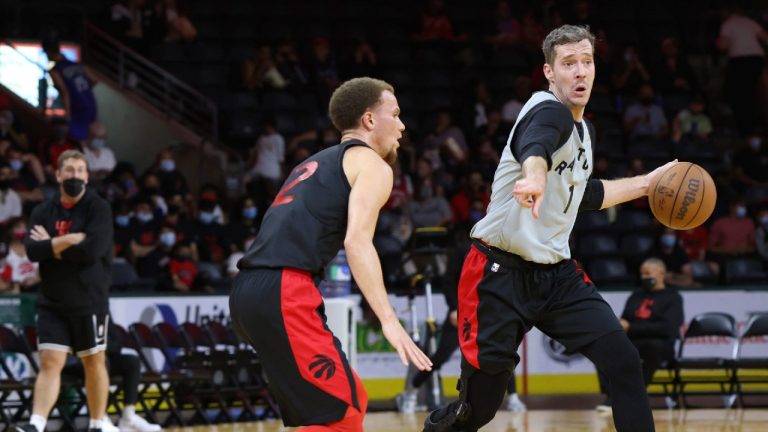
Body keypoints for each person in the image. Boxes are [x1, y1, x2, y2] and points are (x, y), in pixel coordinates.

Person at [424, 25, 676, 432]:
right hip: (498, 275)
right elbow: (536, 148)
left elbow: (585, 194)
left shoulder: (585, 131)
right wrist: (534, 176)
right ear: (549, 72)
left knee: (624, 362)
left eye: (587, 62)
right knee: (480, 409)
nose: (580, 72)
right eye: (568, 64)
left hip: (556, 276)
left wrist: (647, 184)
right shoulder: (547, 110)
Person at [229, 77, 432, 431]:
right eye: (395, 115)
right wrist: (388, 319)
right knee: (342, 406)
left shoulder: (313, 163)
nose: (402, 126)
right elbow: (357, 241)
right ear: (369, 120)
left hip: (249, 291)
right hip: (284, 288)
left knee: (325, 410)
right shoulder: (371, 165)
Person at [16, 150, 113, 432]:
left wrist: (52, 247)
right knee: (49, 361)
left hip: (89, 298)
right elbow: (33, 252)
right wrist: (69, 239)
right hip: (52, 299)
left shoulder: (98, 208)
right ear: (58, 175)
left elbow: (92, 251)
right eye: (69, 170)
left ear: (87, 175)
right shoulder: (42, 211)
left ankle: (97, 423)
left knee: (94, 362)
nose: (75, 175)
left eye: (81, 170)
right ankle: (36, 424)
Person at [396, 242, 526, 414]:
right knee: (440, 356)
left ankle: (513, 399)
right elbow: (449, 281)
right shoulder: (465, 251)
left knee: (503, 354)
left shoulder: (505, 251)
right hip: (463, 313)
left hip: (491, 315)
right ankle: (410, 392)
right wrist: (452, 308)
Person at [597, 258, 684, 411]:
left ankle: (632, 396)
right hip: (634, 342)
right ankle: (612, 396)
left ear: (661, 273)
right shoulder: (636, 296)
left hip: (660, 344)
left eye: (648, 273)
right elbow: (625, 319)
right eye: (642, 273)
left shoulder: (673, 297)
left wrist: (631, 327)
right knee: (602, 349)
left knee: (653, 347)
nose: (644, 277)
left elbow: (667, 328)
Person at [43, 39, 99, 142]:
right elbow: (95, 80)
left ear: (48, 52)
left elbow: (65, 92)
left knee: (79, 141)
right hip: (91, 103)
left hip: (77, 107)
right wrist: (84, 91)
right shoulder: (79, 65)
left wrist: (68, 116)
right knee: (90, 139)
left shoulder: (55, 70)